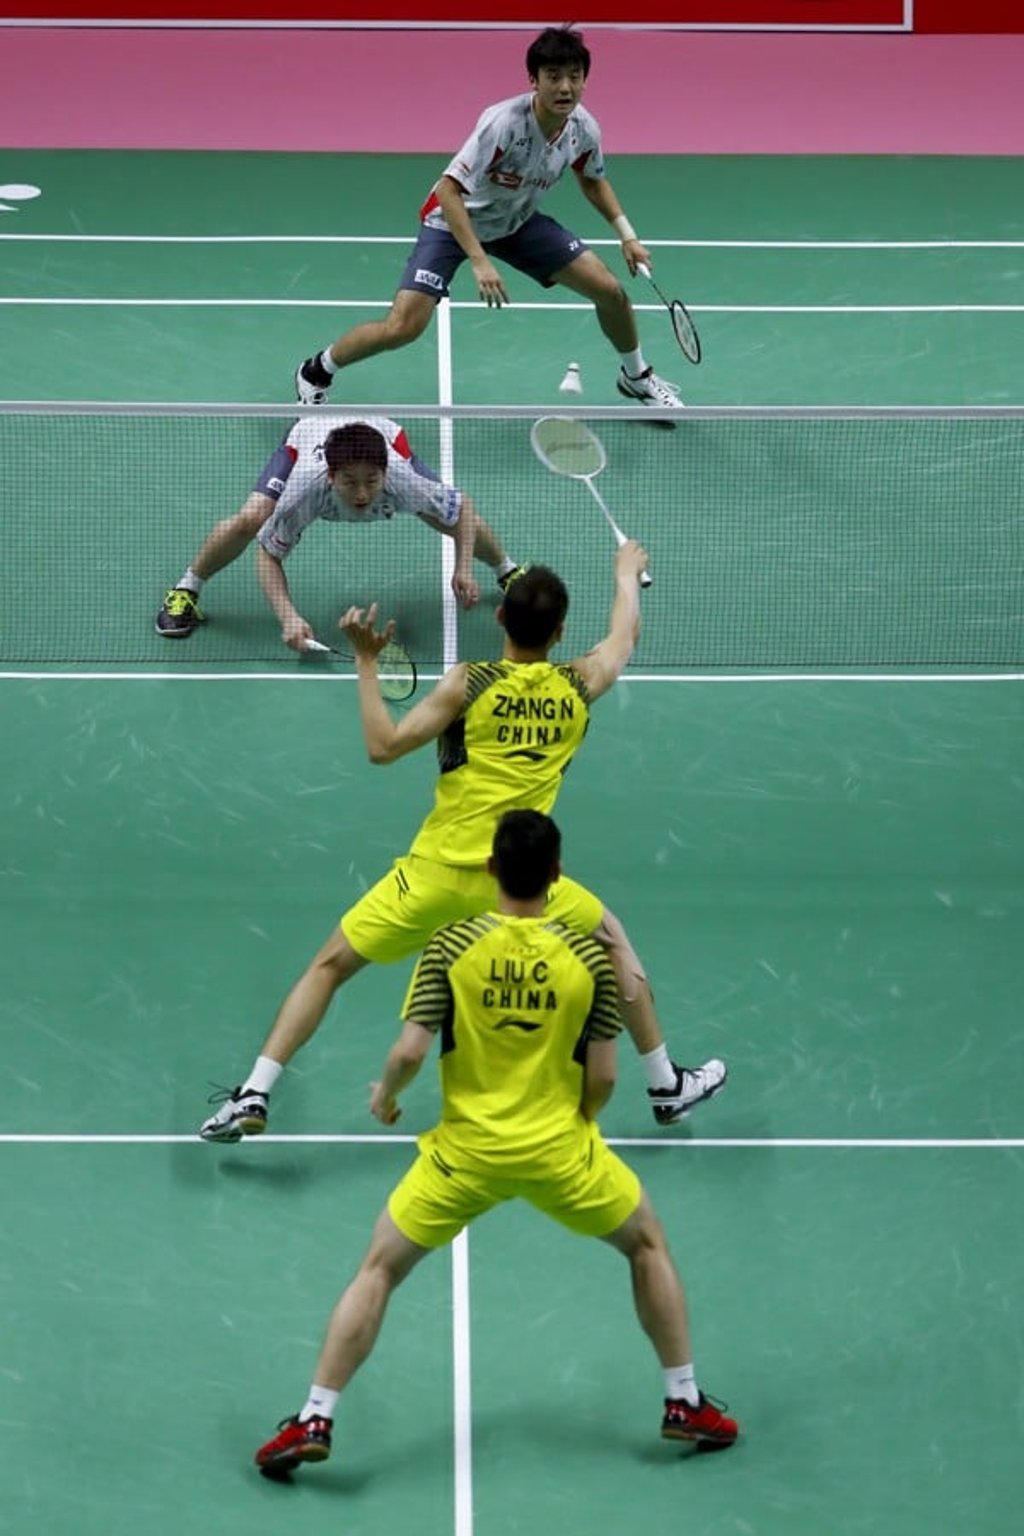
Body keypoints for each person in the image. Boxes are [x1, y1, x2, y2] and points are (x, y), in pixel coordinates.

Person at [252, 810, 738, 1480]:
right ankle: (683, 1400)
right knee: (646, 1245)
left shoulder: (450, 945)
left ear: (490, 871)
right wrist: (578, 1124)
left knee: (379, 1270)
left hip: (463, 1157)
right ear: (557, 876)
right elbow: (604, 1076)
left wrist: (386, 1097)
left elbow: (408, 1052)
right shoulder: (590, 957)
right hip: (563, 1155)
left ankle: (315, 1416)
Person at [198, 544, 726, 1142]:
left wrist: (366, 664)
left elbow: (383, 746)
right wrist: (625, 576)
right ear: (560, 633)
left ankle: (254, 1092)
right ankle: (665, 1085)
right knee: (613, 945)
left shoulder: (467, 685)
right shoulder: (579, 685)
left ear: (499, 619)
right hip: (521, 882)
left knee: (329, 966)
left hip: (431, 877)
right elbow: (623, 638)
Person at [293, 26, 683, 414]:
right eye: (553, 77)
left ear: (585, 80)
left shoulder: (583, 128)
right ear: (533, 80)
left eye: (574, 77)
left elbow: (593, 181)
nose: (565, 87)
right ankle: (315, 371)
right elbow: (448, 191)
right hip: (452, 223)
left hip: (516, 222)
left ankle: (636, 377)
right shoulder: (503, 124)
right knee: (403, 327)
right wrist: (480, 261)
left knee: (610, 291)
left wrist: (627, 236)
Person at [155, 416, 524, 646]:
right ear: (332, 477)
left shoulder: (400, 479)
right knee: (251, 518)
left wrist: (463, 568)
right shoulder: (305, 491)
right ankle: (187, 588)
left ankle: (506, 571)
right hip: (307, 434)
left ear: (384, 473)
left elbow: (463, 509)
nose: (361, 493)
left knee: (439, 513)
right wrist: (288, 616)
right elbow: (267, 553)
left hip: (384, 435)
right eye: (349, 482)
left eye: (370, 481)